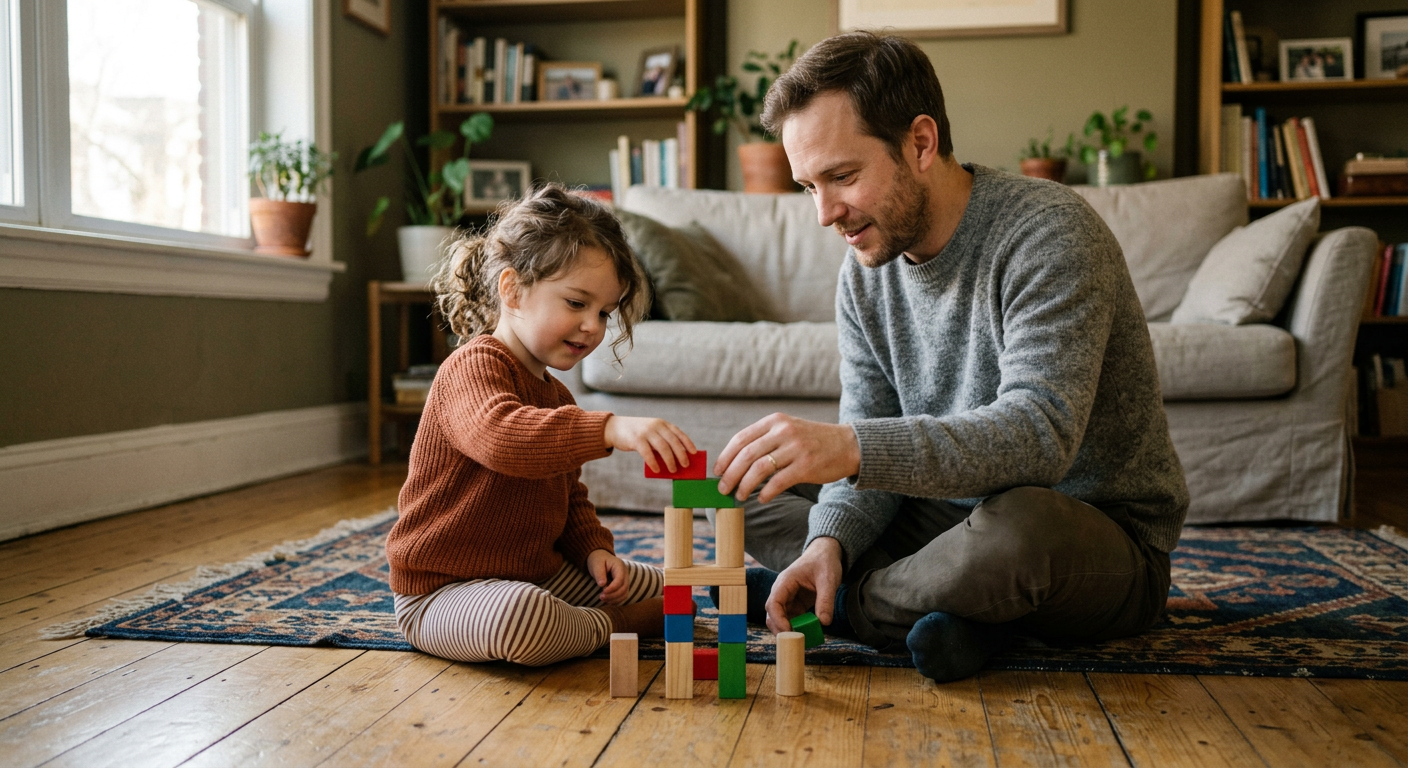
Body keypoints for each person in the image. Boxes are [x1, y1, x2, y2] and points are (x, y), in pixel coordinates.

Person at [710, 32, 1189, 682]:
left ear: (921, 142)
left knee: (1021, 530)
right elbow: (872, 450)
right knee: (742, 484)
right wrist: (828, 541)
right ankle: (947, 617)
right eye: (808, 186)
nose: (825, 214)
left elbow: (1040, 437)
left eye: (843, 176)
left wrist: (852, 449)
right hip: (945, 516)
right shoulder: (864, 270)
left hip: (1085, 526)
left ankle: (850, 606)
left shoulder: (1049, 232)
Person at [386, 184, 699, 666]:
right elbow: (503, 437)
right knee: (522, 618)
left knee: (668, 584)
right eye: (576, 303)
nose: (593, 326)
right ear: (512, 289)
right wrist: (609, 428)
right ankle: (612, 627)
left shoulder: (557, 395)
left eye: (604, 313)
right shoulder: (471, 367)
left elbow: (568, 496)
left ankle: (599, 613)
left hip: (537, 571)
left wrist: (595, 550)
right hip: (443, 592)